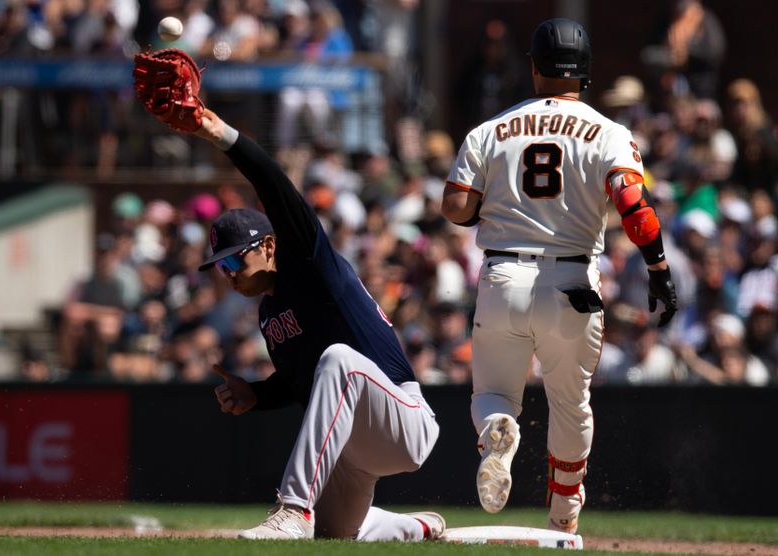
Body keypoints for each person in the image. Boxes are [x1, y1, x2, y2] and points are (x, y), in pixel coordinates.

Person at [133, 52, 442, 541]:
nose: (229, 273)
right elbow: (300, 384)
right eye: (222, 266)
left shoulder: (309, 263)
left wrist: (218, 133)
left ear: (270, 245)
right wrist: (256, 395)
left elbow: (274, 186)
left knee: (338, 358)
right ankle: (416, 527)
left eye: (236, 259)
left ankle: (294, 510)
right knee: (339, 535)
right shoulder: (270, 309)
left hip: (404, 421)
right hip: (354, 445)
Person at [440, 18, 678, 534]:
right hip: (572, 282)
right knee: (570, 404)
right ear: (586, 72)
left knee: (493, 396)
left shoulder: (490, 129)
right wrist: (658, 268)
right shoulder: (608, 132)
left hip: (503, 274)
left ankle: (497, 433)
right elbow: (634, 206)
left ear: (533, 67)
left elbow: (457, 207)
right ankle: (564, 517)